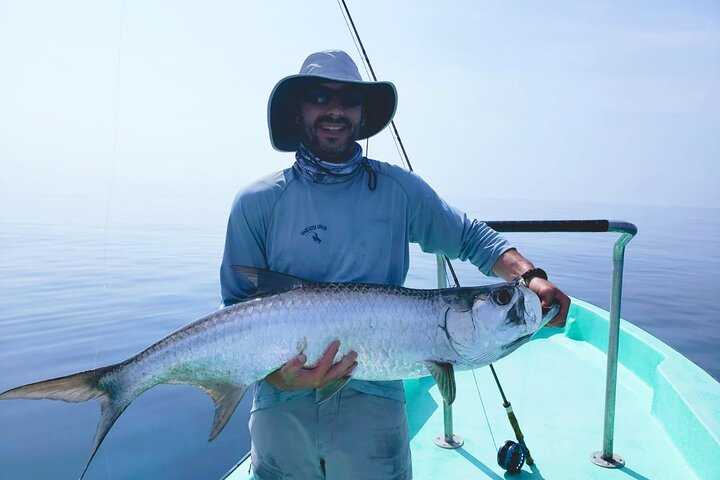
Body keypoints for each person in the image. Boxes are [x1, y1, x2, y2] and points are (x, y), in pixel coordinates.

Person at [220, 49, 570, 480]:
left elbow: (469, 235)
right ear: (297, 111)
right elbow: (236, 314)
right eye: (318, 96)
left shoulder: (397, 190)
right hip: (281, 409)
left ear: (363, 114)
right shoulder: (257, 202)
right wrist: (278, 380)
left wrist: (528, 276)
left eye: (348, 99)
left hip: (375, 402)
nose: (334, 110)